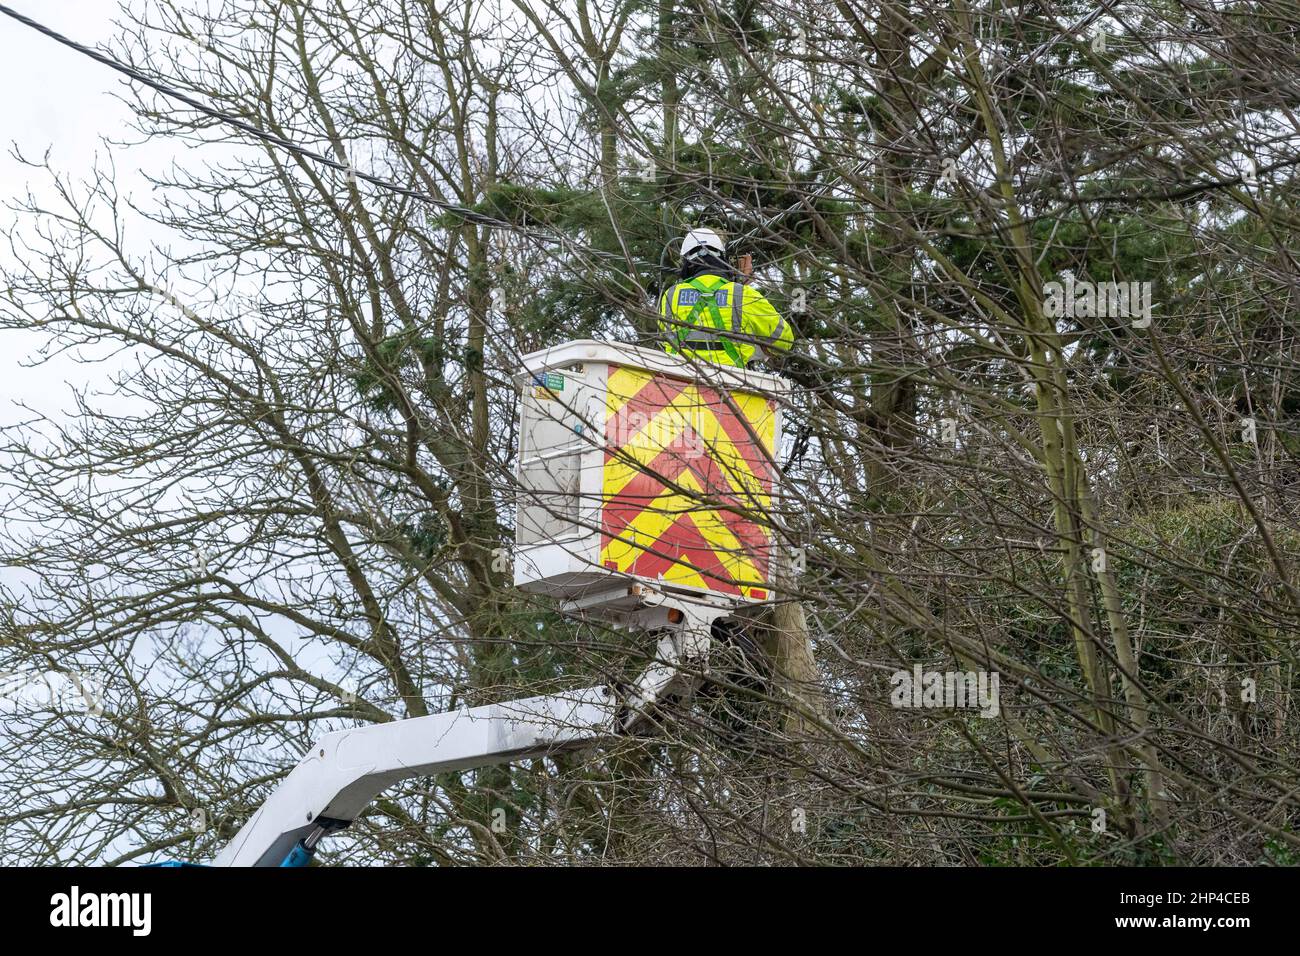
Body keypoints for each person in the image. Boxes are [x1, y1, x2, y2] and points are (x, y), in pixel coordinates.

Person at [657, 228, 793, 368]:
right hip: (730, 383)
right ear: (722, 259)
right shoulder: (742, 295)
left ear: (686, 263)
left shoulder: (671, 295)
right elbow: (784, 341)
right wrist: (758, 344)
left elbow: (664, 337)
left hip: (677, 380)